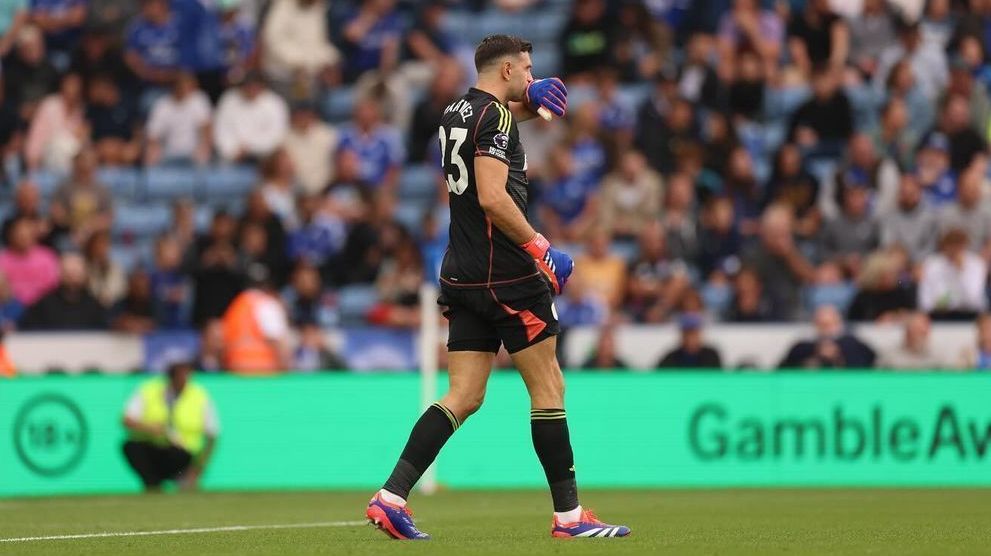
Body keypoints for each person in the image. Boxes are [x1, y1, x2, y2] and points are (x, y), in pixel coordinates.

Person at [366, 35, 628, 540]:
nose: (532, 76)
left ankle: (391, 497)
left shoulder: (454, 112)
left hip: (461, 272)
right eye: (527, 69)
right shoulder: (498, 118)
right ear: (506, 70)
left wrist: (531, 106)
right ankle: (570, 518)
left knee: (463, 395)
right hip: (507, 274)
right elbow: (491, 195)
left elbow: (494, 127)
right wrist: (540, 247)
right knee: (549, 388)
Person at [122, 360, 219, 492]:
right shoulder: (148, 390)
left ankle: (183, 480)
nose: (185, 381)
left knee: (180, 458)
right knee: (131, 447)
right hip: (152, 448)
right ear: (170, 377)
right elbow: (127, 420)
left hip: (183, 455)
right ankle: (153, 484)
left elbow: (212, 435)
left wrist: (198, 468)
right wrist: (149, 428)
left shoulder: (199, 395)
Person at [220, 267, 291, 374]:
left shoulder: (235, 306)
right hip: (262, 371)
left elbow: (222, 343)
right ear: (267, 285)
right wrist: (286, 372)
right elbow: (278, 342)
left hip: (235, 370)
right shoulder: (267, 304)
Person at [19, 252, 109, 330]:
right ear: (60, 275)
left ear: (85, 276)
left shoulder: (95, 306)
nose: (73, 279)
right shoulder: (43, 305)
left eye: (77, 274)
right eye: (68, 274)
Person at [779, 305, 876, 369]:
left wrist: (838, 353)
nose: (826, 329)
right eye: (822, 324)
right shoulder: (803, 346)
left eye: (830, 324)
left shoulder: (852, 344)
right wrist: (817, 350)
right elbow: (786, 366)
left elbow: (870, 362)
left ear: (839, 323)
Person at [876, 312, 944, 370]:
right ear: (907, 333)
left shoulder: (937, 356)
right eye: (917, 331)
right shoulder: (890, 356)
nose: (921, 337)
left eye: (924, 333)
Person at [656, 313, 722, 369]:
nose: (691, 338)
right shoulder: (671, 357)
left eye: (694, 334)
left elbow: (718, 378)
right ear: (682, 335)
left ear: (699, 334)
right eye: (687, 334)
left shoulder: (711, 356)